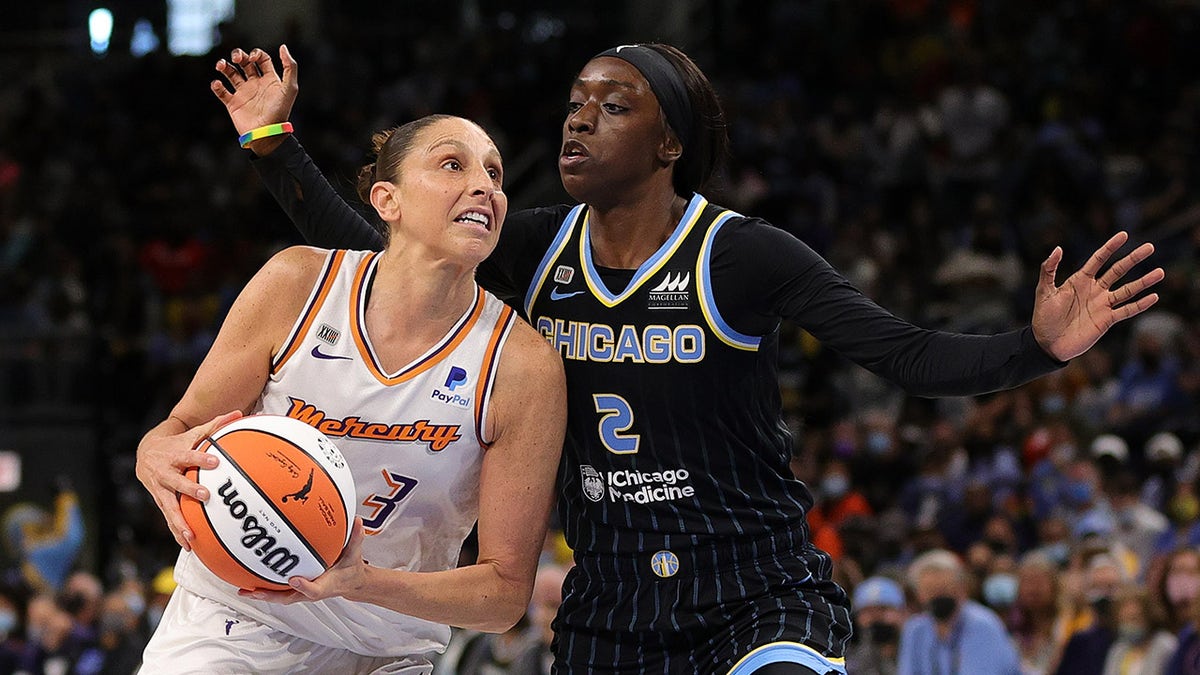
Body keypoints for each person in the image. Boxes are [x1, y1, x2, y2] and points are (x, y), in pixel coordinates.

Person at [212, 42, 1163, 675]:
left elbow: (908, 355)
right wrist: (271, 142)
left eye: (611, 106)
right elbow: (384, 249)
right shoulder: (535, 245)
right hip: (610, 595)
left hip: (755, 587)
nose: (577, 121)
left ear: (668, 140)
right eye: (574, 104)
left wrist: (1038, 348)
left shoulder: (744, 253)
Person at [134, 114, 567, 674]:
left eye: (494, 173)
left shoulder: (523, 365)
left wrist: (363, 582)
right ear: (388, 200)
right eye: (452, 165)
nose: (484, 185)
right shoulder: (296, 284)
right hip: (231, 623)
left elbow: (504, 596)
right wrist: (151, 453)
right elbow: (181, 428)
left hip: (388, 652)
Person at [896, 549, 1021, 675]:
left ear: (961, 589)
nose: (938, 597)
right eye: (931, 591)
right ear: (919, 595)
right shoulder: (916, 630)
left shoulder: (983, 625)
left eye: (944, 589)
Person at [845, 576, 907, 675]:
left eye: (883, 609)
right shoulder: (847, 652)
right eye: (868, 611)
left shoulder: (917, 646)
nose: (876, 617)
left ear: (902, 613)